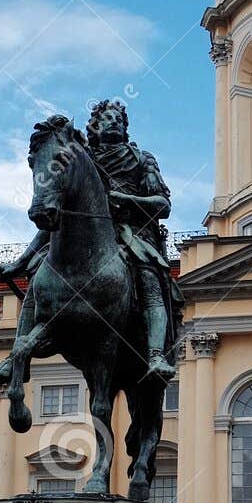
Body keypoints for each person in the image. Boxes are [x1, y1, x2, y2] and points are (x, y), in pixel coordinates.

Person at [86, 99, 181, 379]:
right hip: (90, 234)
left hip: (133, 232)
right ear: (95, 126)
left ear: (125, 127)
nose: (113, 122)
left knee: (150, 280)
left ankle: (155, 354)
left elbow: (162, 205)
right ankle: (18, 353)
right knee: (45, 266)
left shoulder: (142, 159)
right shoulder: (83, 159)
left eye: (118, 119)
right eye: (107, 118)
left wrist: (127, 199)